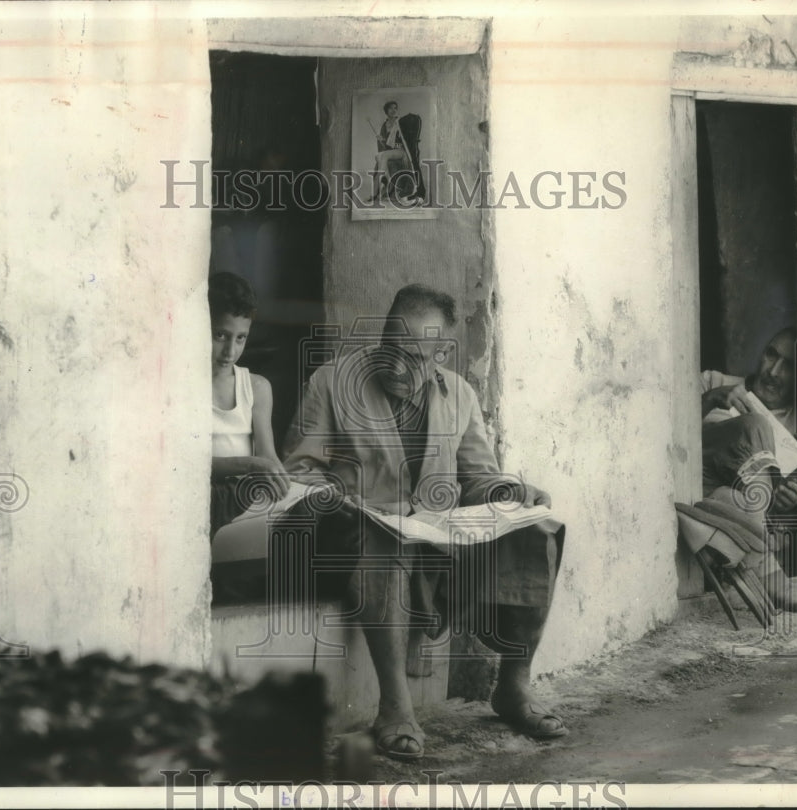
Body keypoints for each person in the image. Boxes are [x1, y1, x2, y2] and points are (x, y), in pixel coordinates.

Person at [283, 284, 567, 761]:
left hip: (430, 538)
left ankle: (513, 689)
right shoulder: (332, 382)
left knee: (536, 528)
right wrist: (336, 492)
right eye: (390, 349)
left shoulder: (459, 393)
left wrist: (511, 492)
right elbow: (298, 470)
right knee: (382, 536)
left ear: (438, 357)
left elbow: (479, 478)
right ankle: (395, 707)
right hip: (347, 533)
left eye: (414, 358)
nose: (395, 366)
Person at [697, 326, 797, 610]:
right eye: (771, 355)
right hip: (693, 484)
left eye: (790, 366)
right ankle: (768, 572)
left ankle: (741, 576)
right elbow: (665, 435)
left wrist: (785, 503)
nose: (773, 371)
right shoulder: (712, 382)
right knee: (756, 425)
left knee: (730, 498)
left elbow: (777, 508)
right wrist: (710, 400)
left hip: (722, 512)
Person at [210, 271, 289, 535]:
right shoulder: (183, 387)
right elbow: (189, 464)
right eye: (220, 335)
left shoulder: (256, 387)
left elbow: (268, 458)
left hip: (246, 494)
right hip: (205, 494)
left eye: (240, 338)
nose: (230, 352)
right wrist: (251, 465)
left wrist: (280, 478)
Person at [369, 101, 407, 203]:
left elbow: (405, 140)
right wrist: (381, 140)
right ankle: (383, 187)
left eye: (395, 108)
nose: (393, 110)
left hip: (401, 151)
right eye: (390, 108)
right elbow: (385, 146)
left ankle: (379, 191)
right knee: (378, 156)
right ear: (386, 111)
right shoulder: (384, 125)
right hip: (389, 152)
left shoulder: (400, 122)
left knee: (383, 157)